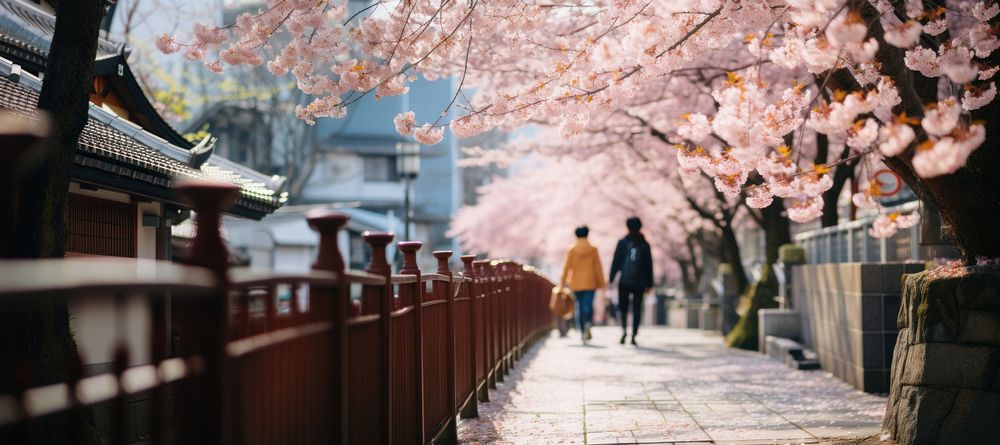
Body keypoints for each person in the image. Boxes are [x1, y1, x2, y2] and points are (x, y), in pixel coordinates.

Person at [609, 216, 653, 346]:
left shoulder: (622, 242)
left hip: (624, 281)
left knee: (623, 307)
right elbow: (649, 265)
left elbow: (616, 261)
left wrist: (611, 278)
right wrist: (649, 283)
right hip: (640, 282)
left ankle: (623, 331)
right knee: (637, 308)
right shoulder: (644, 244)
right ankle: (634, 334)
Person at [560, 225, 605, 343]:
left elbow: (566, 267)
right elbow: (598, 267)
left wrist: (562, 282)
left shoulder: (572, 250)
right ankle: (588, 324)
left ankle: (582, 330)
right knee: (588, 305)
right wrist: (601, 283)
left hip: (576, 283)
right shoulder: (593, 249)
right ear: (587, 234)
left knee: (579, 307)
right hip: (591, 283)